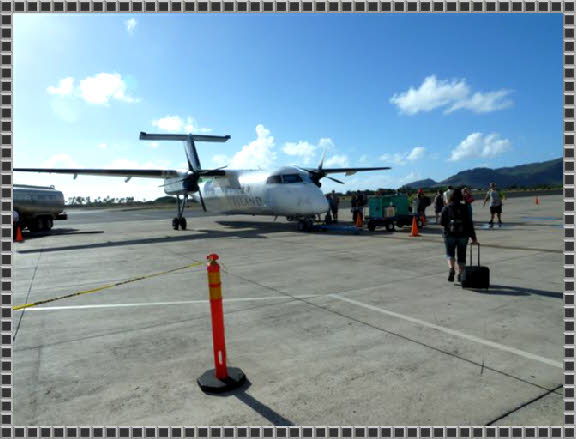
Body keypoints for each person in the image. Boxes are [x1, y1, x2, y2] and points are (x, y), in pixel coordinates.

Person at [441, 188, 478, 283]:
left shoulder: (446, 207)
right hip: (463, 235)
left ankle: (451, 269)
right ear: (461, 197)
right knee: (461, 255)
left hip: (449, 234)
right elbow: (470, 223)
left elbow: (442, 222)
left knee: (450, 253)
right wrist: (473, 238)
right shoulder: (465, 207)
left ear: (451, 197)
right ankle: (460, 275)